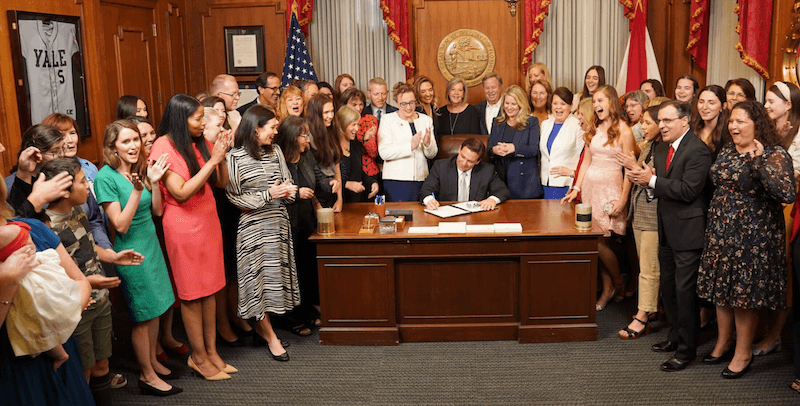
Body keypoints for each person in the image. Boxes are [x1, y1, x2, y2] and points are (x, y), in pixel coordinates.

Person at [696, 101, 796, 379]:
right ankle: (723, 342)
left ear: (758, 125)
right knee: (722, 292)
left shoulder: (774, 153)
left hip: (752, 236)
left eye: (741, 121)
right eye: (732, 121)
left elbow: (786, 193)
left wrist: (758, 161)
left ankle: (743, 352)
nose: (734, 126)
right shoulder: (728, 149)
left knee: (743, 295)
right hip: (721, 233)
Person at [149, 93, 234, 381]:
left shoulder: (199, 141)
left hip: (208, 221)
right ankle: (197, 357)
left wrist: (220, 154)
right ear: (180, 119)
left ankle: (212, 352)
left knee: (210, 290)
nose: (203, 123)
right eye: (198, 118)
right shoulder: (164, 145)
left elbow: (220, 182)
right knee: (191, 295)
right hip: (183, 226)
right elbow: (181, 191)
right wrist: (213, 161)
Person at [0, 156, 95, 405]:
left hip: (55, 337)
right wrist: (8, 279)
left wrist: (68, 307)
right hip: (14, 366)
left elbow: (80, 281)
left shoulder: (33, 227)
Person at [626, 100, 712, 372]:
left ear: (685, 121)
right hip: (665, 227)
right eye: (659, 121)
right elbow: (661, 188)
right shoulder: (662, 148)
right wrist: (650, 184)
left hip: (688, 231)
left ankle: (687, 351)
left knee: (685, 292)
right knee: (669, 289)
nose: (661, 125)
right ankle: (674, 338)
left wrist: (650, 181)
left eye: (667, 121)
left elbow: (688, 191)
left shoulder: (698, 151)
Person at [225, 105, 299, 361]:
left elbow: (286, 181)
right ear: (256, 129)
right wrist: (269, 194)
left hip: (278, 224)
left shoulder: (275, 151)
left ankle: (264, 330)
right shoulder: (233, 157)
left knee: (273, 282)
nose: (276, 133)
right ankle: (270, 337)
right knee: (257, 284)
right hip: (254, 228)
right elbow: (234, 197)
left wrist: (289, 192)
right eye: (272, 128)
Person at [562, 85, 635, 311]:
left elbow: (630, 171)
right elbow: (586, 161)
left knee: (600, 241)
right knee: (598, 241)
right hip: (591, 190)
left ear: (612, 102)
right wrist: (576, 188)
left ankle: (616, 283)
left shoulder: (625, 131)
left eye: (600, 101)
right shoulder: (593, 128)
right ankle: (611, 286)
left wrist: (622, 200)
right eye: (594, 102)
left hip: (611, 190)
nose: (596, 106)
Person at [127, 116, 190, 363]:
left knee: (168, 287)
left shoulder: (160, 158)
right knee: (150, 294)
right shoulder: (133, 167)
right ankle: (151, 347)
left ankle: (167, 335)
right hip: (143, 232)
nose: (149, 138)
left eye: (151, 133)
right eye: (142, 136)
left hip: (162, 228)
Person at [751, 81, 800, 359]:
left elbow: (789, 177)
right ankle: (759, 328)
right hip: (764, 207)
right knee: (764, 270)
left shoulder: (798, 133)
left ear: (789, 105)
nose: (766, 106)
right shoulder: (767, 130)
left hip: (788, 210)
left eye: (771, 101)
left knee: (783, 272)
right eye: (766, 101)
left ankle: (775, 335)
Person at [275, 116, 336, 332]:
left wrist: (331, 184)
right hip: (286, 222)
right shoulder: (277, 158)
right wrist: (297, 193)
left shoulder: (307, 155)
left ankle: (308, 310)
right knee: (293, 271)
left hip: (307, 221)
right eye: (303, 135)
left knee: (308, 268)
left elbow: (319, 178)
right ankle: (293, 319)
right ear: (292, 138)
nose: (307, 139)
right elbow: (272, 193)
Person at [1, 222, 81, 372]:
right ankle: (60, 353)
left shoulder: (6, 233)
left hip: (28, 283)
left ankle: (59, 354)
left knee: (34, 324)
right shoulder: (20, 226)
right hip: (37, 276)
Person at [615, 105, 663, 339]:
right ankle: (650, 308)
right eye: (642, 122)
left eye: (647, 123)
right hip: (640, 213)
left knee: (649, 269)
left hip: (653, 216)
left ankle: (642, 315)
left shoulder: (663, 149)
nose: (642, 127)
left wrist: (632, 166)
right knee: (645, 266)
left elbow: (654, 182)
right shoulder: (648, 145)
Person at [378, 82, 437, 202]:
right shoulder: (387, 120)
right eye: (403, 104)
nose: (408, 107)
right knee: (399, 218)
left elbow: (432, 154)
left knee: (421, 218)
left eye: (411, 102)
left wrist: (427, 144)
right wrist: (410, 146)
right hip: (396, 181)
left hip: (421, 179)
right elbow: (384, 153)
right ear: (396, 103)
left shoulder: (426, 120)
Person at [420, 137, 509, 209]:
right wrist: (430, 200)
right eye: (462, 157)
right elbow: (426, 190)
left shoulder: (487, 170)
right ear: (459, 149)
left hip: (475, 217)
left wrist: (492, 200)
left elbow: (502, 190)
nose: (464, 163)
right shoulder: (441, 166)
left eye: (470, 161)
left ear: (477, 161)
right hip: (448, 214)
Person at [489, 85, 543, 199]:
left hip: (525, 183)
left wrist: (514, 148)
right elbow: (489, 148)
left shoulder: (531, 122)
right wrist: (495, 150)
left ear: (521, 104)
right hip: (501, 181)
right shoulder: (497, 122)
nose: (509, 107)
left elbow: (534, 150)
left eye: (514, 104)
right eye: (507, 103)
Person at [539, 87, 584, 200]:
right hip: (544, 183)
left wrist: (572, 173)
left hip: (565, 184)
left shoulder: (577, 126)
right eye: (555, 103)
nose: (558, 107)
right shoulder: (545, 124)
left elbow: (582, 157)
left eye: (563, 104)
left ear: (571, 106)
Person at [307, 94, 343, 211]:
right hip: (316, 193)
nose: (331, 116)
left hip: (333, 190)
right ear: (316, 114)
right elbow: (309, 175)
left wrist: (339, 198)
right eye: (326, 112)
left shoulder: (332, 132)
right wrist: (316, 203)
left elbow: (336, 167)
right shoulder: (309, 137)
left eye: (332, 111)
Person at [336, 107, 378, 203]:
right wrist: (346, 184)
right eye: (353, 125)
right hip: (338, 202)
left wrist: (372, 183)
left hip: (356, 201)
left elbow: (359, 173)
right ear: (342, 125)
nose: (357, 129)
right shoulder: (332, 146)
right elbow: (324, 179)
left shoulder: (356, 145)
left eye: (357, 124)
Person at [340, 88, 380, 179]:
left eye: (361, 104)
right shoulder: (339, 121)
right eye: (354, 104)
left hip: (368, 172)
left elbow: (374, 153)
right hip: (346, 172)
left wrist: (366, 139)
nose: (358, 108)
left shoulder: (370, 120)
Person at [693, 85, 729, 158]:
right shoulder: (691, 128)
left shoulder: (727, 133)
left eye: (711, 103)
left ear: (723, 106)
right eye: (701, 102)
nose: (704, 107)